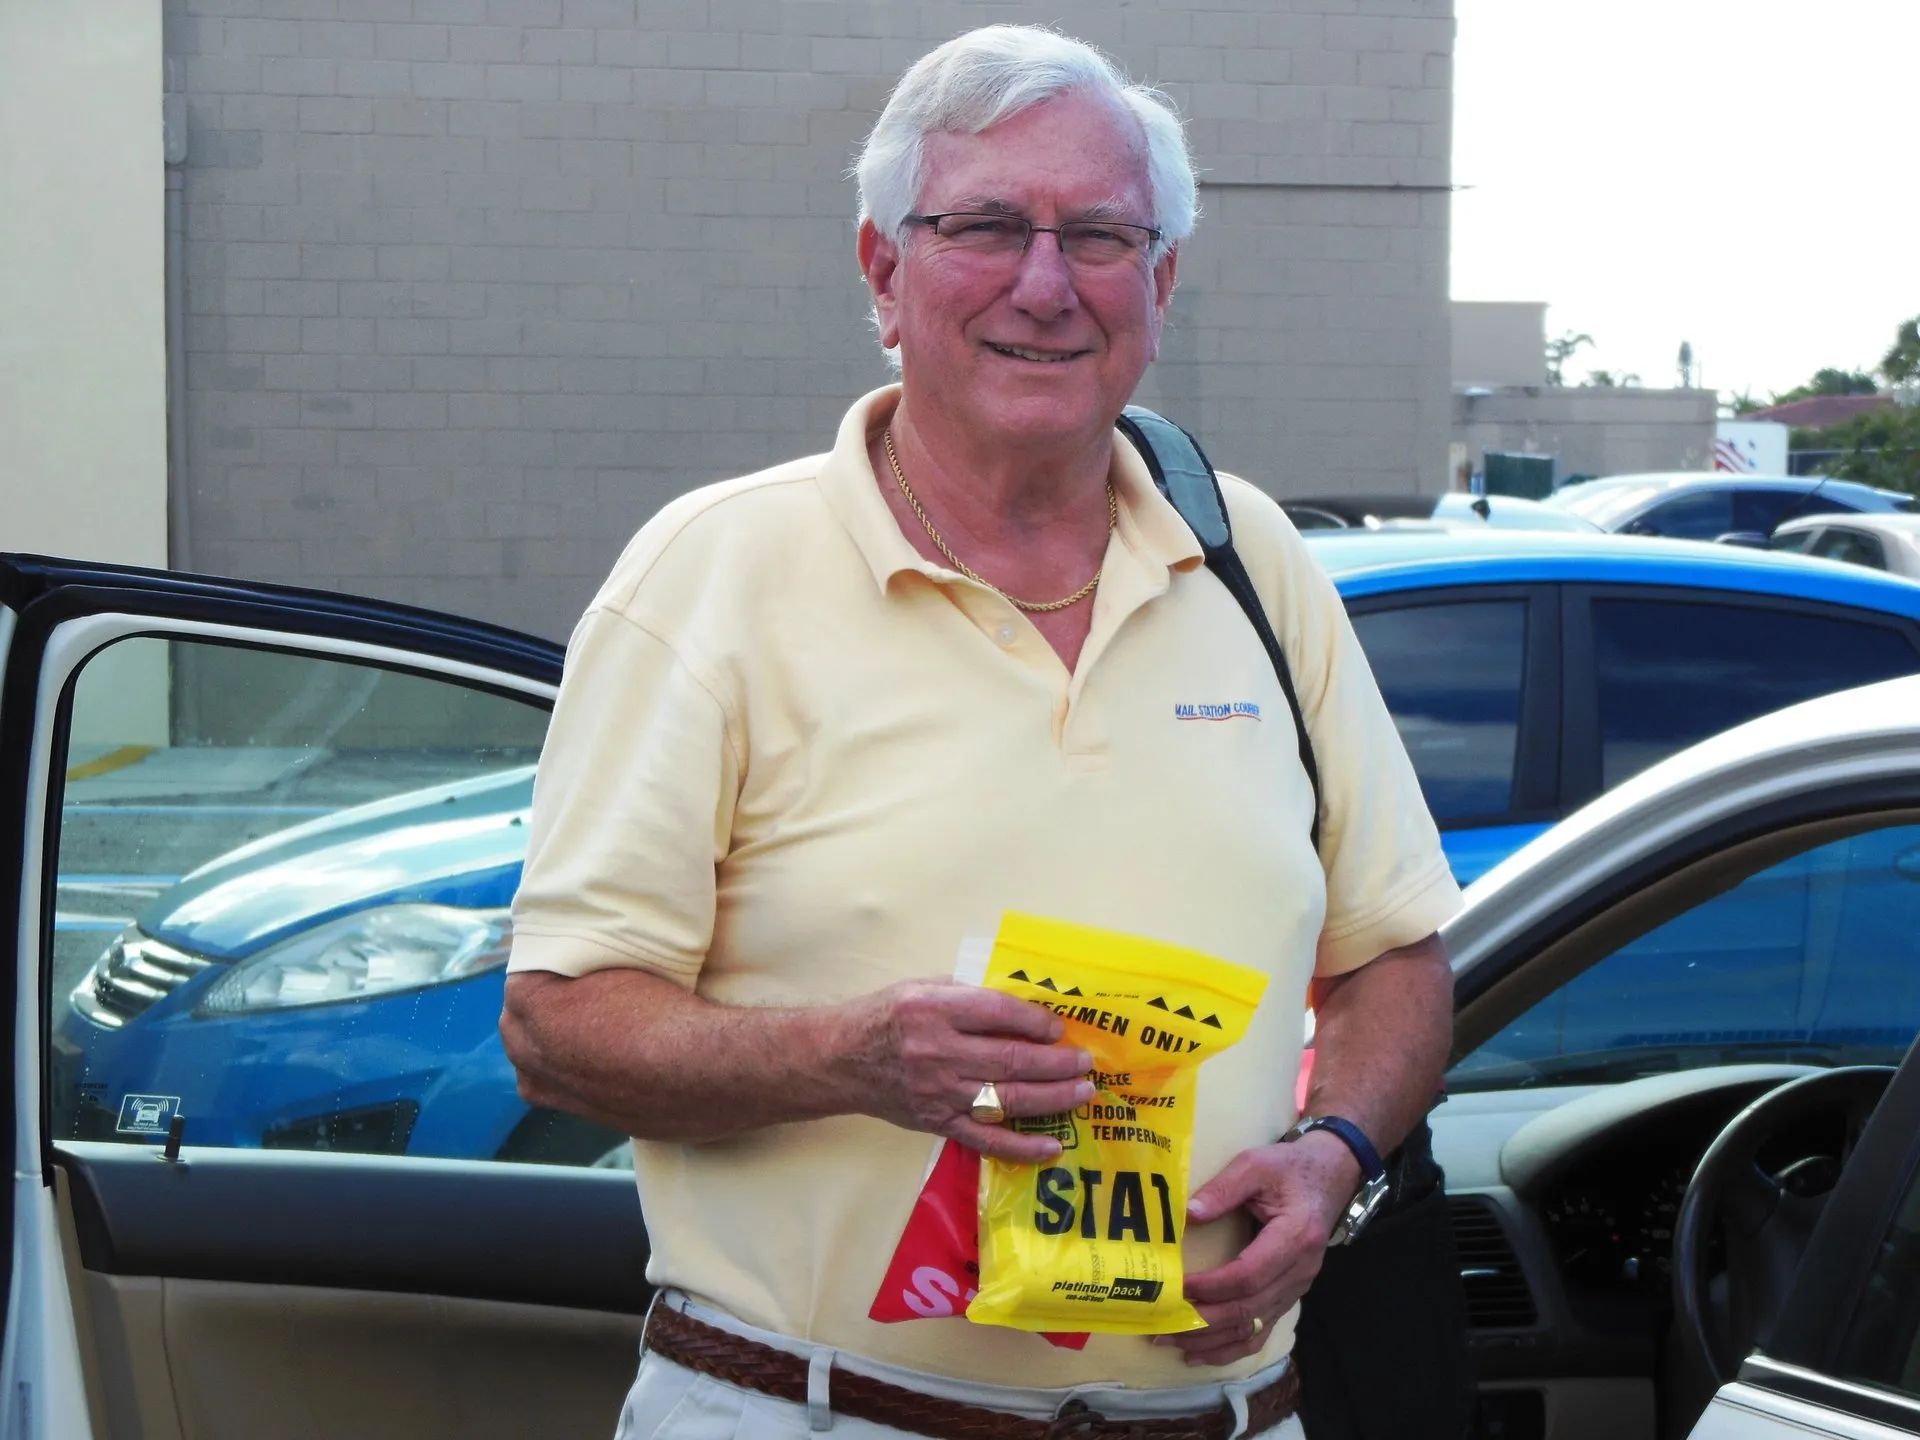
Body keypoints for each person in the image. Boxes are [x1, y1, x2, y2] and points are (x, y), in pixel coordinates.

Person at [501, 24, 1460, 1440]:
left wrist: (1335, 1155)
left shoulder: (1249, 556)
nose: (1044, 283)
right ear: (883, 272)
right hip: (826, 1415)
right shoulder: (715, 572)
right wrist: (854, 1057)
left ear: (1162, 281)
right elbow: (556, 1027)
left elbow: (1394, 956)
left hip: (1225, 1414)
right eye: (988, 226)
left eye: (1098, 236)